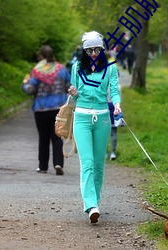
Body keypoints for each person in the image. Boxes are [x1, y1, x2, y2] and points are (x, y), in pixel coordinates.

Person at [68, 31, 121, 223]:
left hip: (103, 119)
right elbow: (74, 97)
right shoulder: (76, 68)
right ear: (84, 50)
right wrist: (73, 92)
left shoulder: (110, 69)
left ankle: (95, 201)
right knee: (87, 163)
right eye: (89, 50)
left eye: (96, 49)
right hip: (81, 118)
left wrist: (116, 104)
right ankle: (90, 205)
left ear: (102, 49)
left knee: (99, 164)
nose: (93, 53)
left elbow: (114, 90)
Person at [22, 45, 71, 175]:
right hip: (58, 109)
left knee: (43, 138)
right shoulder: (62, 70)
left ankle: (43, 166)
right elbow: (69, 87)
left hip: (41, 109)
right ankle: (58, 163)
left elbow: (30, 90)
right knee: (57, 137)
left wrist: (25, 83)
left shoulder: (37, 71)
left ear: (41, 57)